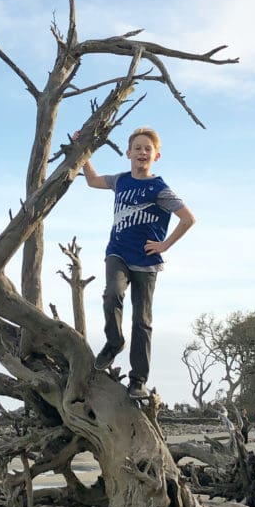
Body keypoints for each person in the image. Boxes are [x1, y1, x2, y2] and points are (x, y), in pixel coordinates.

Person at [77, 126, 196, 400]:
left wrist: (164, 245)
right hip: (117, 252)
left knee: (142, 321)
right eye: (138, 148)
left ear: (156, 156)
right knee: (112, 295)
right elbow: (92, 180)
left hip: (146, 262)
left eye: (148, 149)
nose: (142, 152)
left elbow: (188, 218)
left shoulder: (159, 188)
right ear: (128, 152)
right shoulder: (120, 181)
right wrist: (83, 150)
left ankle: (138, 381)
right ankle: (114, 341)